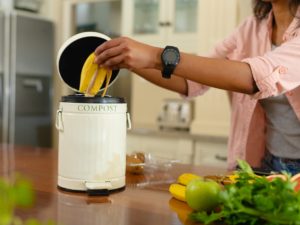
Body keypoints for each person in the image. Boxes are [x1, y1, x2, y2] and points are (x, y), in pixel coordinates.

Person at [94, 0, 300, 175]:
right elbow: (190, 81)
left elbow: (254, 77)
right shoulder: (252, 28)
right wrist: (125, 58)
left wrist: (156, 56)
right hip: (266, 162)